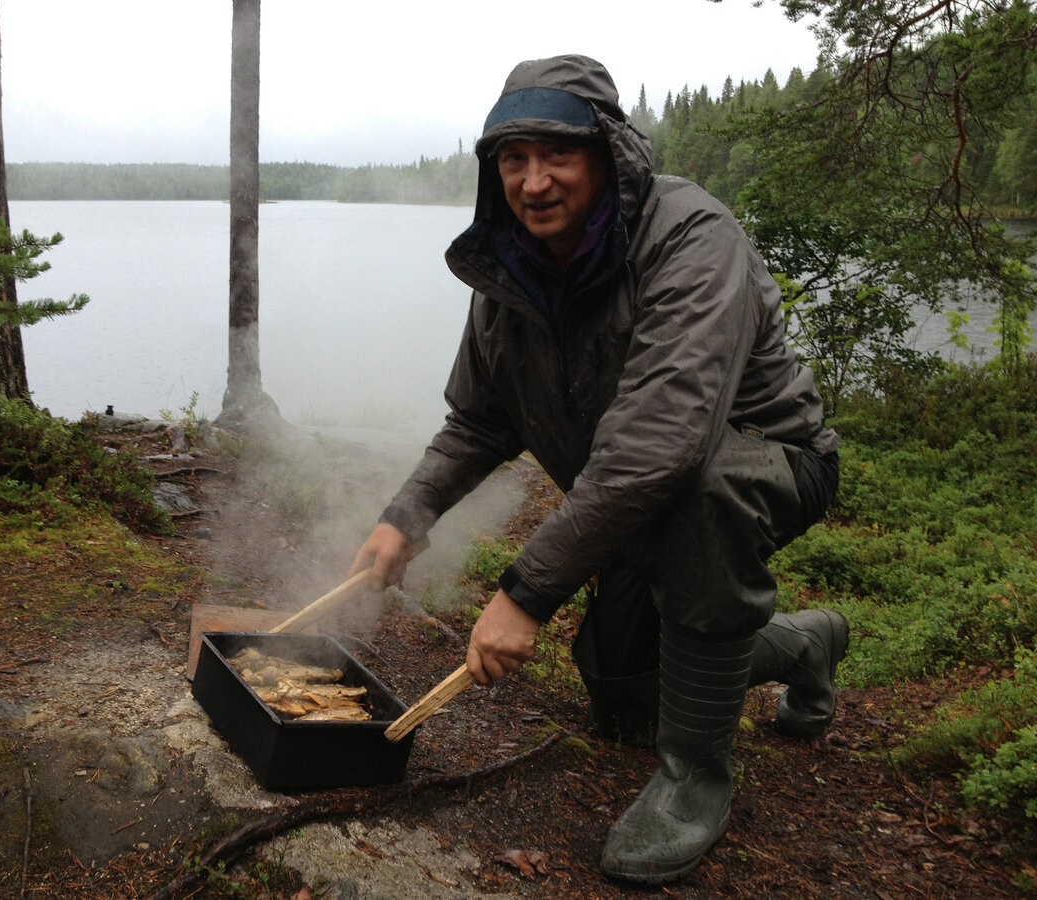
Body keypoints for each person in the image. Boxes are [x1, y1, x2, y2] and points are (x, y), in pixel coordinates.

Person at [349, 54, 848, 885]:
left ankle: (695, 780)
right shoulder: (510, 268)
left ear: (607, 152)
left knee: (701, 484)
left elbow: (662, 441)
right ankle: (802, 644)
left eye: (557, 156)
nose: (534, 182)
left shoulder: (691, 237)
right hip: (637, 495)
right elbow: (479, 419)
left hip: (764, 465)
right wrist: (405, 516)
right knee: (622, 698)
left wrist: (526, 593)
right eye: (513, 160)